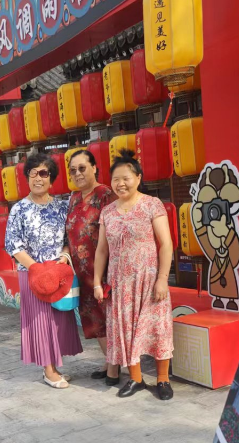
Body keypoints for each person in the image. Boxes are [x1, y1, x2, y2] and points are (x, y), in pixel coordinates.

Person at [92, 150, 174, 400]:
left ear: (138, 178)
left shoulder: (152, 204)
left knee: (158, 329)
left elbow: (167, 244)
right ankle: (136, 378)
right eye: (116, 179)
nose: (121, 183)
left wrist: (162, 278)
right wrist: (97, 282)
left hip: (149, 280)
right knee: (126, 330)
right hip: (120, 284)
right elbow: (102, 250)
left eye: (126, 178)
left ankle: (162, 379)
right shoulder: (107, 212)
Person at [5, 153, 82, 389]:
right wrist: (36, 269)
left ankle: (54, 366)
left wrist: (65, 256)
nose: (38, 178)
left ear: (52, 179)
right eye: (33, 173)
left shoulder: (61, 206)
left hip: (58, 273)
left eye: (44, 173)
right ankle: (48, 370)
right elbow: (13, 244)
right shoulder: (19, 209)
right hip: (33, 272)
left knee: (58, 320)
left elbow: (69, 238)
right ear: (27, 177)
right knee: (41, 322)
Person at [64, 150, 118, 384]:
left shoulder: (106, 195)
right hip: (81, 272)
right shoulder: (74, 198)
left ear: (95, 167)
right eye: (73, 170)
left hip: (102, 270)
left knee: (108, 317)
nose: (77, 174)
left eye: (82, 168)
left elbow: (114, 232)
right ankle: (109, 363)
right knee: (95, 320)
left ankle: (115, 366)